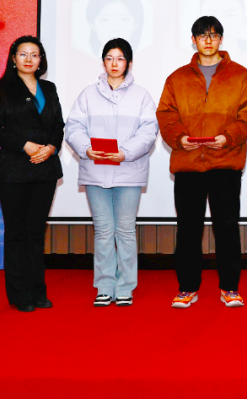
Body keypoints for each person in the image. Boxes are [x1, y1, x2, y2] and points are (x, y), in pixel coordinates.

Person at [157, 16, 247, 309]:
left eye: (214, 35)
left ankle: (230, 287)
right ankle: (187, 288)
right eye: (202, 35)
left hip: (225, 162)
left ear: (221, 39)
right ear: (194, 40)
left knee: (227, 228)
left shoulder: (240, 75)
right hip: (188, 163)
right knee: (188, 229)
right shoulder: (177, 78)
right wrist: (180, 139)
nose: (208, 40)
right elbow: (166, 115)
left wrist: (228, 137)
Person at [65, 38, 159, 308]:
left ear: (128, 62)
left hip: (129, 170)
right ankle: (105, 286)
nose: (114, 63)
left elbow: (149, 131)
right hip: (95, 170)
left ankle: (126, 286)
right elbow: (73, 127)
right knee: (104, 231)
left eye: (120, 58)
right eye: (109, 58)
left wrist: (125, 153)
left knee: (125, 230)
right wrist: (86, 149)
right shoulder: (87, 94)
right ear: (103, 61)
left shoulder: (141, 95)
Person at [0, 36, 64, 312]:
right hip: (13, 172)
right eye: (23, 54)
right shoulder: (1, 90)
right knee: (17, 233)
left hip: (45, 170)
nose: (29, 59)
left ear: (41, 60)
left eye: (35, 54)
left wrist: (51, 148)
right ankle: (20, 294)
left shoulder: (49, 88)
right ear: (13, 58)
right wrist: (25, 145)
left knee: (36, 233)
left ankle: (38, 292)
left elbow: (58, 125)